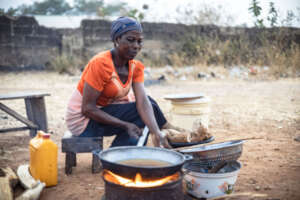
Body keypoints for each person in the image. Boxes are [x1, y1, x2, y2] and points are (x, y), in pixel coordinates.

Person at [65, 16, 179, 148]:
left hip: (100, 112)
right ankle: (117, 157)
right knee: (141, 114)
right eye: (130, 40)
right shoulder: (101, 64)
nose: (136, 46)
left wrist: (156, 132)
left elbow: (143, 101)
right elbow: (88, 109)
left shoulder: (135, 67)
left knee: (148, 104)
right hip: (83, 121)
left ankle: (127, 152)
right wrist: (125, 125)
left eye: (139, 41)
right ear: (117, 39)